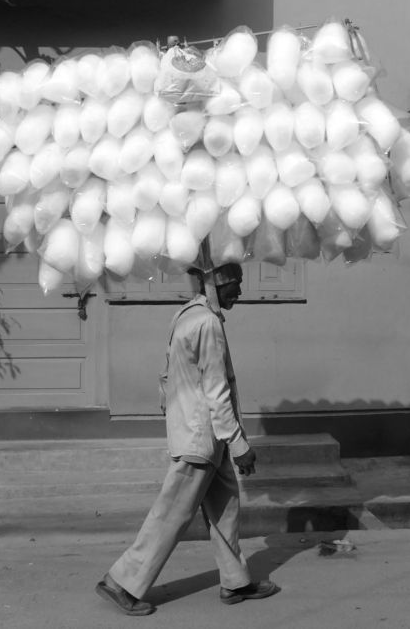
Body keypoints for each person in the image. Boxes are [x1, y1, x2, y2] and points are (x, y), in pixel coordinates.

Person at [95, 262, 280, 616]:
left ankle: (235, 580)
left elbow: (166, 375)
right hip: (202, 435)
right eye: (235, 285)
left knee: (225, 507)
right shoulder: (207, 323)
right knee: (172, 514)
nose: (240, 291)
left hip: (202, 433)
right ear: (217, 284)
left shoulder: (186, 314)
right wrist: (239, 444)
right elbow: (216, 389)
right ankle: (121, 582)